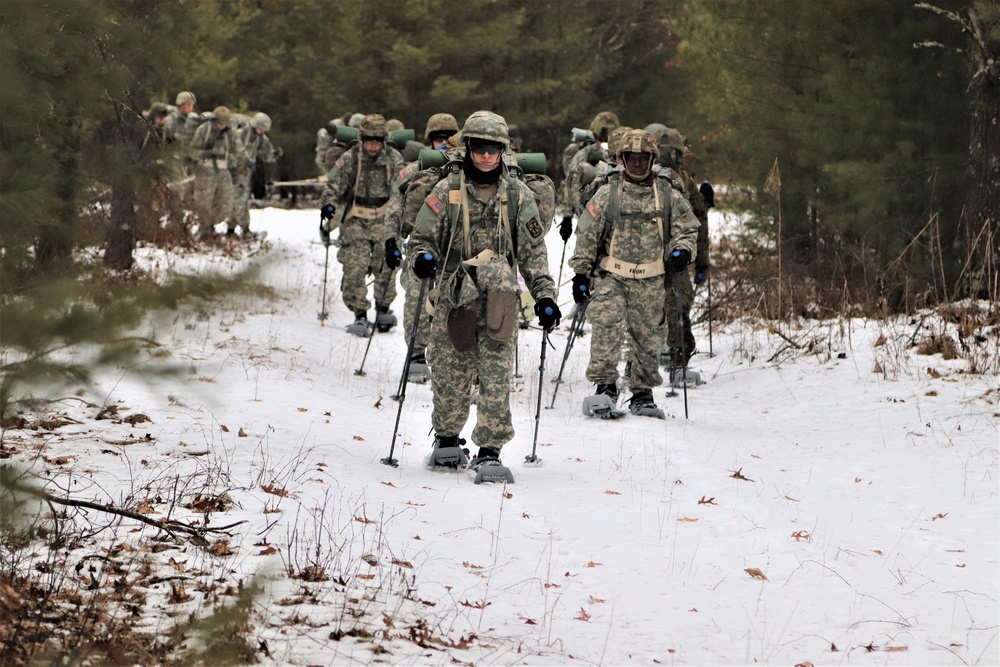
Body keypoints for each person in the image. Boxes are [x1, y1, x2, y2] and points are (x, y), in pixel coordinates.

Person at [406, 110, 560, 474]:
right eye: (479, 148)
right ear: (469, 148)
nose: (486, 156)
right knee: (449, 372)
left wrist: (545, 296)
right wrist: (423, 258)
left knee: (495, 376)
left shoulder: (518, 195)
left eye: (493, 149)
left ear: (503, 150)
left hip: (500, 299)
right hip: (454, 295)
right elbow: (422, 237)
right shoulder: (448, 190)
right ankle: (446, 438)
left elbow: (534, 253)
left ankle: (490, 449)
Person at [568, 129, 700, 417]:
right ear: (622, 159)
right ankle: (605, 387)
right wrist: (580, 274)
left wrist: (683, 251)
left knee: (648, 335)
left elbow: (688, 228)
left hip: (651, 278)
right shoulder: (607, 193)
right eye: (632, 158)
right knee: (606, 327)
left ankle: (642, 392)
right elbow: (587, 235)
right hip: (610, 276)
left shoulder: (667, 194)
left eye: (643, 159)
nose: (637, 164)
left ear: (651, 159)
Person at [382, 113, 461, 381]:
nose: (443, 143)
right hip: (421, 247)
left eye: (448, 137)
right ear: (429, 141)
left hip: (458, 249)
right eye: (438, 138)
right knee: (416, 297)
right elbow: (396, 207)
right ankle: (416, 355)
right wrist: (391, 241)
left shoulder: (465, 168)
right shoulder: (416, 169)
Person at [319, 114, 405, 335]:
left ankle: (384, 307)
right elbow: (333, 186)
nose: (373, 144)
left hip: (385, 220)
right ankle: (359, 313)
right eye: (369, 139)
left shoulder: (394, 159)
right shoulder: (350, 158)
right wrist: (329, 205)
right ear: (362, 138)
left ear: (383, 140)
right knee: (355, 266)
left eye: (377, 140)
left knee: (386, 266)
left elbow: (404, 189)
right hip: (356, 219)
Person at [647, 125, 710, 366]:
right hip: (648, 257)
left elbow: (697, 221)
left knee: (678, 305)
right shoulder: (644, 176)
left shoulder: (684, 180)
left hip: (676, 255)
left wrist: (701, 261)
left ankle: (678, 357)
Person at [189, 106, 244, 236]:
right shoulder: (204, 130)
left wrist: (238, 162)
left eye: (223, 124)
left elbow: (240, 151)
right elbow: (191, 151)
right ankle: (205, 230)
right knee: (204, 201)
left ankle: (225, 226)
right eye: (218, 123)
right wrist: (205, 154)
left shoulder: (231, 133)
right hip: (205, 169)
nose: (220, 126)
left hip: (224, 170)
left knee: (227, 200)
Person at [232, 112, 276, 237]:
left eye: (263, 130)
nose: (261, 131)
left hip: (246, 173)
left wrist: (274, 155)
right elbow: (231, 151)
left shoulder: (259, 137)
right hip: (236, 172)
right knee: (239, 199)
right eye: (260, 128)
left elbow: (267, 153)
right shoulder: (241, 134)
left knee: (242, 199)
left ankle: (233, 229)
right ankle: (243, 228)